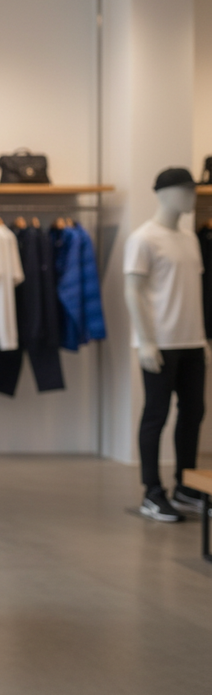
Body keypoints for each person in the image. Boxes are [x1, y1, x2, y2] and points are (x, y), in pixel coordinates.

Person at [123, 167, 208, 523]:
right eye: (186, 190)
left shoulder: (189, 238)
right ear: (165, 193)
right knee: (155, 416)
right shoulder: (144, 238)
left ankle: (186, 484)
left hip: (191, 341)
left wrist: (203, 338)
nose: (192, 197)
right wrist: (145, 341)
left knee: (194, 412)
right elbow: (133, 290)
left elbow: (194, 292)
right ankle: (152, 491)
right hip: (159, 342)